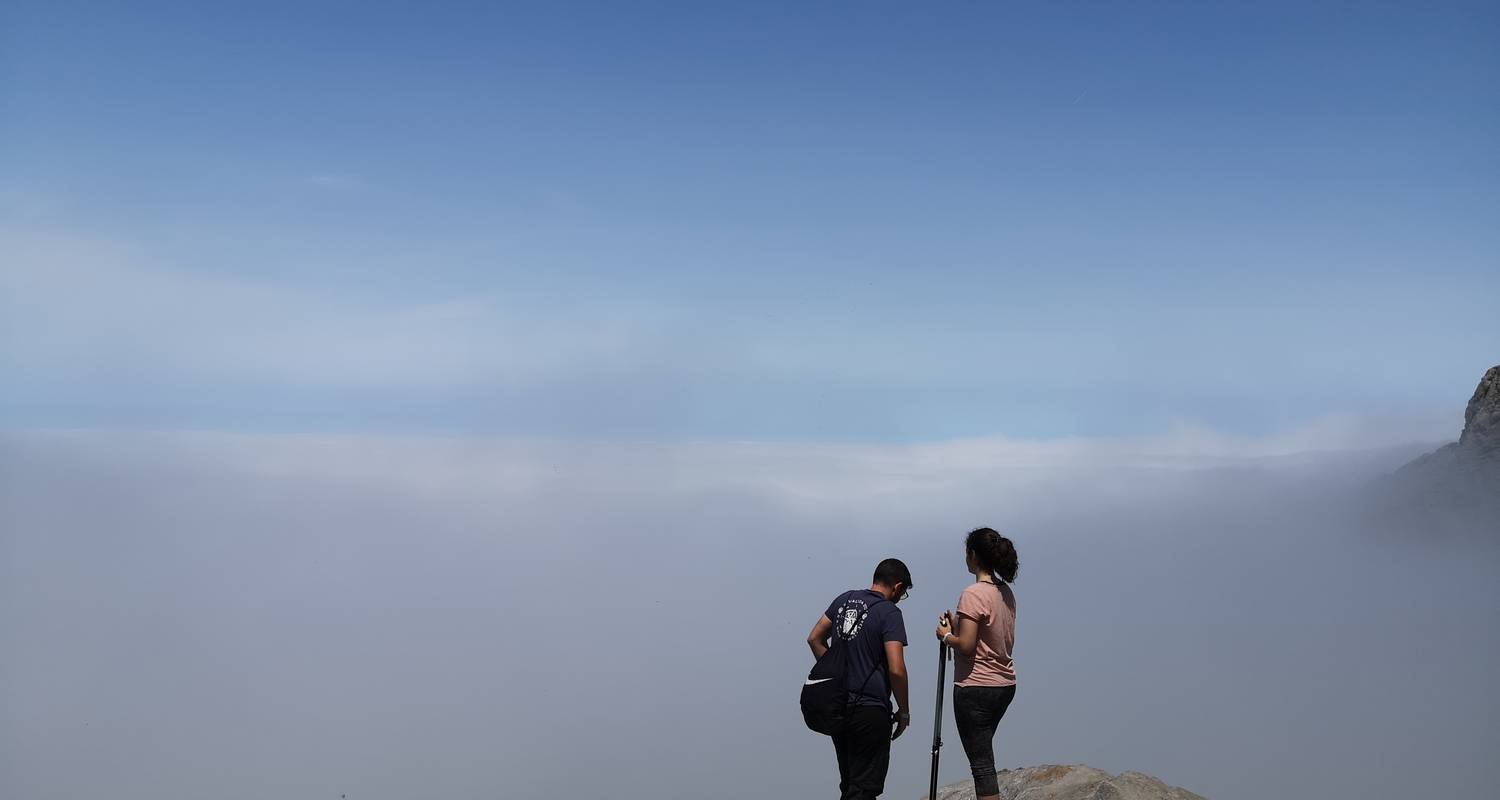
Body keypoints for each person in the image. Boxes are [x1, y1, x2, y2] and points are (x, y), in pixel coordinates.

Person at [805, 558, 913, 800]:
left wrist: (837, 673)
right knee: (864, 789)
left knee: (850, 784)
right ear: (897, 587)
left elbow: (814, 638)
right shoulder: (890, 612)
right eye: (903, 592)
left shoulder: (843, 599)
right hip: (870, 711)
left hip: (840, 707)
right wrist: (904, 710)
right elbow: (896, 668)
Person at [934, 528, 1019, 800]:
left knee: (982, 767)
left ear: (972, 555)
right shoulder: (1005, 593)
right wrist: (958, 625)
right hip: (1004, 684)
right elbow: (994, 636)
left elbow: (968, 646)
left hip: (975, 687)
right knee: (984, 754)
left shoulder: (972, 594)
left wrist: (946, 635)